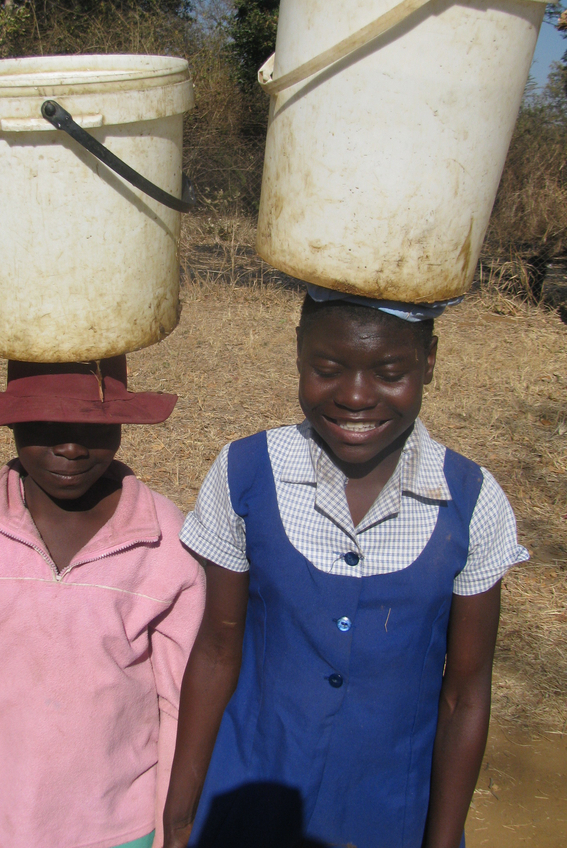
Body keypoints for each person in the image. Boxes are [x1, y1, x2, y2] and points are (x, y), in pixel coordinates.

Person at [162, 289, 528, 848]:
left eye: (389, 372)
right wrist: (182, 812)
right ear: (299, 356)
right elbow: (216, 647)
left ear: (428, 363)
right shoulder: (247, 472)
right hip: (250, 794)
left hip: (389, 810)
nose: (355, 397)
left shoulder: (471, 501)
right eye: (327, 369)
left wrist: (445, 836)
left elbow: (466, 693)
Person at [0, 356, 205, 848]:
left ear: (120, 426)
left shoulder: (165, 538)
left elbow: (183, 700)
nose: (69, 448)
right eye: (43, 426)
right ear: (11, 424)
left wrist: (170, 831)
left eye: (93, 427)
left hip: (121, 826)